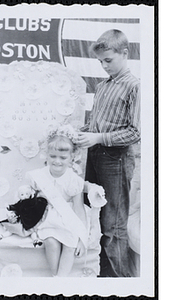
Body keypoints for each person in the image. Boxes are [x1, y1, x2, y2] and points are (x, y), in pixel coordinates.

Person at [77, 29, 140, 277]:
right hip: (95, 156)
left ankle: (122, 283)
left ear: (125, 53)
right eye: (100, 61)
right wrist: (78, 133)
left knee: (113, 224)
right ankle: (100, 274)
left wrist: (98, 138)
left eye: (108, 60)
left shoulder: (134, 87)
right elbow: (95, 126)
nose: (104, 66)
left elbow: (136, 132)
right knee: (94, 214)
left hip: (116, 159)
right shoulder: (103, 86)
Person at [26, 124, 89, 277]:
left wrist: (82, 238)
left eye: (63, 157)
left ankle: (60, 281)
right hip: (48, 217)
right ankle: (57, 280)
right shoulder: (39, 176)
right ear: (46, 155)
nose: (57, 162)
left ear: (72, 157)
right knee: (51, 242)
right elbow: (30, 202)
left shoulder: (74, 180)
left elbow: (79, 209)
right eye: (53, 156)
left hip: (68, 218)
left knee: (70, 244)